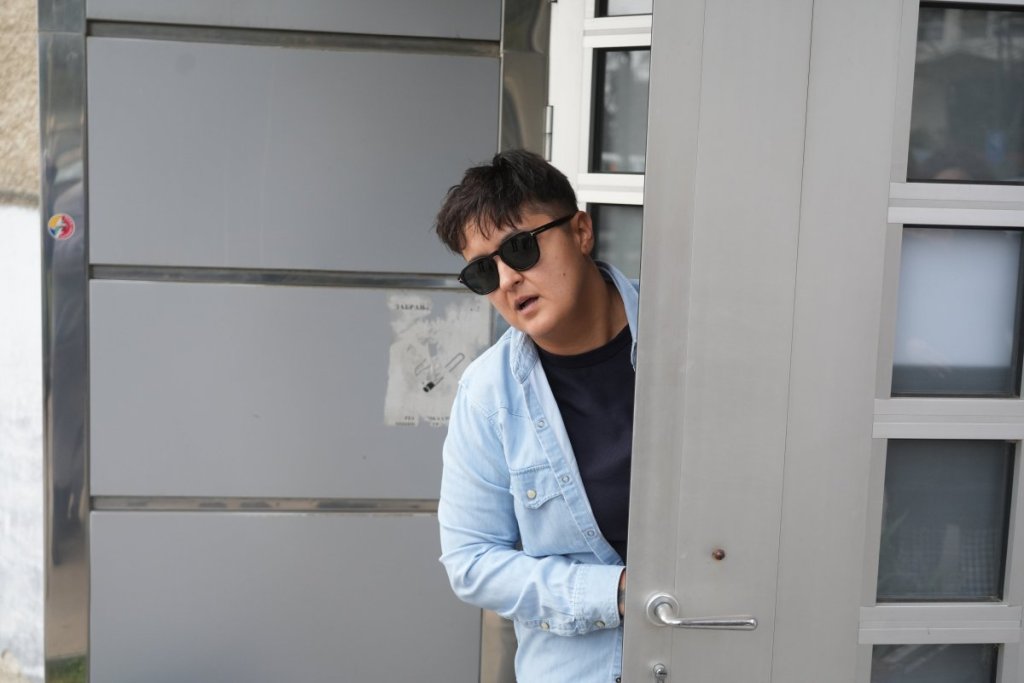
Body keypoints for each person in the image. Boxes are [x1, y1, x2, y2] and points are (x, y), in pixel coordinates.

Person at [435, 150, 637, 683]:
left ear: (582, 231)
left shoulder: (688, 344)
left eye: (520, 248)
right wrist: (615, 593)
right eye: (483, 271)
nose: (507, 280)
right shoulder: (487, 394)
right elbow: (471, 561)